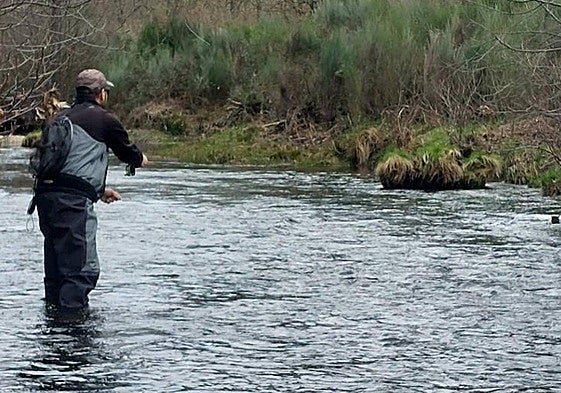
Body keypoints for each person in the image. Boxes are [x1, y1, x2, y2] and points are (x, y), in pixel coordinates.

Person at [34, 69, 148, 312]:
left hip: (45, 200)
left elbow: (65, 167)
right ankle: (74, 337)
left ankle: (54, 333)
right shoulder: (104, 120)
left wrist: (98, 190)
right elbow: (127, 153)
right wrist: (140, 159)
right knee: (80, 272)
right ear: (101, 94)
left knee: (56, 275)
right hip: (73, 206)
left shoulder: (61, 118)